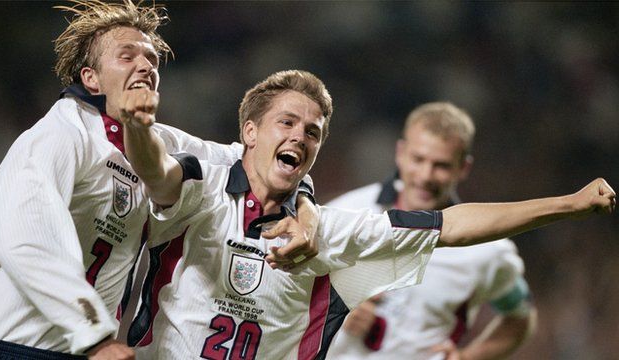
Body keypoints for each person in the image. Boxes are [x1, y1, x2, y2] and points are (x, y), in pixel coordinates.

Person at [119, 70, 615, 359]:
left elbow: (455, 228)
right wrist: (136, 122)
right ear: (249, 131)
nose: (299, 136)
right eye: (286, 122)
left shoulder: (331, 229)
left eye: (312, 132)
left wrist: (568, 204)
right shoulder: (200, 189)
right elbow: (158, 171)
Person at [0, 1, 317, 359]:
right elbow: (29, 241)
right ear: (90, 77)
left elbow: (259, 159)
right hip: (9, 346)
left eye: (151, 59)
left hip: (82, 349)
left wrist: (306, 210)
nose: (145, 66)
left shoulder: (158, 142)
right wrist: (94, 334)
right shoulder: (59, 136)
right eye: (127, 56)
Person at [325, 102, 537, 360]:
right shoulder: (345, 214)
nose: (426, 175)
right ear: (400, 153)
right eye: (418, 159)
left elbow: (520, 317)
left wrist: (468, 358)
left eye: (441, 165)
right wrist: (330, 309)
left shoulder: (486, 249)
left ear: (463, 168)